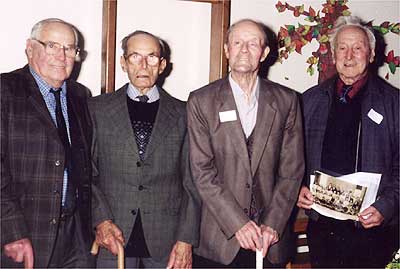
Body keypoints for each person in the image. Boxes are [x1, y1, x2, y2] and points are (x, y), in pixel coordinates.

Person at [187, 19, 304, 268]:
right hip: (219, 239)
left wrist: (273, 223)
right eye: (237, 43)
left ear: (264, 53)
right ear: (227, 50)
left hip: (268, 239)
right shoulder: (201, 101)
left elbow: (291, 172)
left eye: (253, 44)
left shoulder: (286, 100)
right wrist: (237, 223)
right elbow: (202, 171)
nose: (244, 50)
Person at [89, 30, 201, 268]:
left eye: (151, 57)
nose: (143, 64)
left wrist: (186, 239)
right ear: (123, 62)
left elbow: (193, 183)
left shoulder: (184, 113)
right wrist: (101, 220)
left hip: (167, 241)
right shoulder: (97, 109)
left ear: (162, 65)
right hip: (112, 234)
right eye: (135, 57)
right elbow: (88, 173)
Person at [297, 16, 399, 268]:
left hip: (374, 228)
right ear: (333, 54)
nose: (349, 55)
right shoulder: (309, 101)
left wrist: (386, 207)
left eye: (358, 48)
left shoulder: (395, 103)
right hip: (323, 227)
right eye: (342, 47)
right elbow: (292, 159)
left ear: (372, 54)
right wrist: (297, 189)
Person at [1, 18, 98, 268]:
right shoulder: (5, 91)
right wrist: (12, 230)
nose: (62, 56)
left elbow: (87, 166)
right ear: (30, 48)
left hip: (76, 235)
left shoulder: (80, 95)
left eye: (70, 49)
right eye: (52, 46)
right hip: (25, 233)